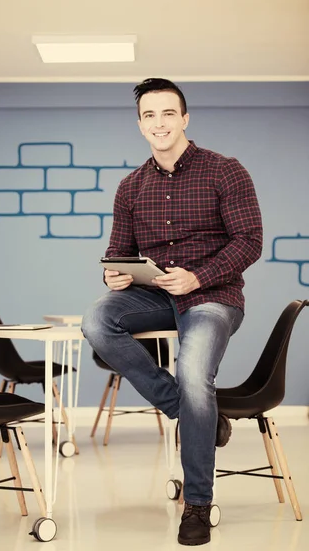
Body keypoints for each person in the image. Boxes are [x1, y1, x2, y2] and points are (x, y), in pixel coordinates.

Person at [81, 78, 263, 546]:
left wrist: (198, 277)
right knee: (98, 320)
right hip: (155, 294)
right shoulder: (130, 187)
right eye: (149, 115)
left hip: (212, 296)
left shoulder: (226, 171)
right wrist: (114, 275)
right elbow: (117, 251)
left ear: (184, 118)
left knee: (194, 370)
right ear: (140, 125)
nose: (159, 123)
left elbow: (249, 242)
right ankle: (187, 409)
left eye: (168, 114)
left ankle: (197, 504)